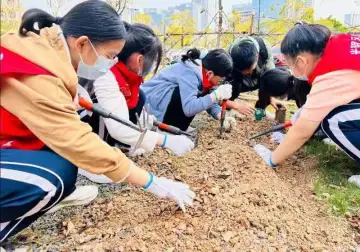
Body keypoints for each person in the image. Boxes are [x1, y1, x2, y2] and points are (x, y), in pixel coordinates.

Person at [0, 1, 195, 242]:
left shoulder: (46, 53)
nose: (111, 63)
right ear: (82, 43)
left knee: (62, 165)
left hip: (10, 141)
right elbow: (77, 140)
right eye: (109, 56)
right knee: (55, 177)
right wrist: (152, 182)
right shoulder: (39, 72)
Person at [78, 22, 194, 183]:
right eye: (151, 60)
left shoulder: (128, 77)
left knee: (141, 97)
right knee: (103, 112)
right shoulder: (106, 75)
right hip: (81, 122)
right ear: (139, 59)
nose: (149, 66)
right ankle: (91, 161)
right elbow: (119, 127)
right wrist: (165, 140)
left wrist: (150, 126)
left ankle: (119, 147)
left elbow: (134, 108)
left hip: (110, 120)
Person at [254, 22, 360, 186]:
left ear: (301, 61)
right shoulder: (341, 45)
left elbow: (303, 130)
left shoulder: (330, 73)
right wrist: (304, 113)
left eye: (290, 64)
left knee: (332, 121)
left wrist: (271, 159)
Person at [142, 48, 235, 132]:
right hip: (148, 105)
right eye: (221, 78)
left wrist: (221, 116)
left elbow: (210, 100)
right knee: (193, 96)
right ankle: (164, 125)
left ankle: (171, 125)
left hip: (157, 102)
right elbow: (189, 108)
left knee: (201, 95)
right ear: (210, 73)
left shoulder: (206, 75)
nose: (221, 82)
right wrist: (216, 95)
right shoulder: (190, 73)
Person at [226, 36, 283, 117]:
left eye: (248, 69)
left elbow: (270, 76)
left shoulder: (264, 48)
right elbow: (216, 93)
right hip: (239, 81)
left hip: (258, 77)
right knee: (229, 87)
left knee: (268, 81)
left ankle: (260, 111)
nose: (245, 72)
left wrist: (271, 97)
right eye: (242, 70)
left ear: (257, 57)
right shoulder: (227, 56)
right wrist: (236, 105)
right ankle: (227, 111)